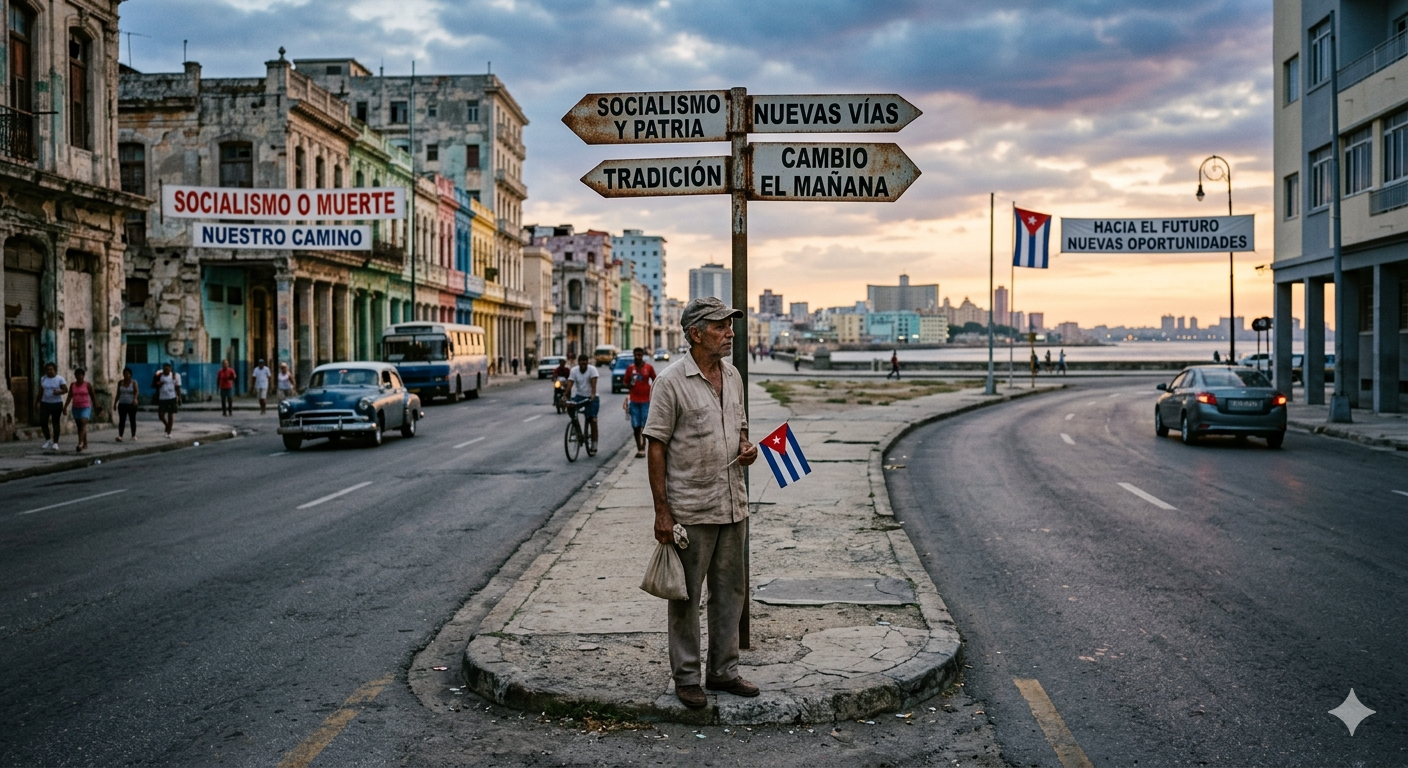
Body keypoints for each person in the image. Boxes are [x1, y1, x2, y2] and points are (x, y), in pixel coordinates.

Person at [643, 296, 759, 710]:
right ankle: (687, 676)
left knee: (730, 591)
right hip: (690, 509)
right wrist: (662, 510)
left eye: (730, 325)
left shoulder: (733, 376)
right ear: (695, 334)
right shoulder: (671, 382)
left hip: (733, 505)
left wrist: (747, 449)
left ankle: (724, 671)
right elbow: (655, 445)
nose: (730, 333)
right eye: (719, 326)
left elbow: (740, 430)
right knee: (686, 597)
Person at [621, 346, 657, 458]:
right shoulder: (630, 369)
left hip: (646, 400)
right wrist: (630, 384)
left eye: (639, 355)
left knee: (644, 425)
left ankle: (643, 445)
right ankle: (639, 447)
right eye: (636, 355)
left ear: (642, 356)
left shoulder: (648, 368)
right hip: (634, 401)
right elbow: (625, 383)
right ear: (633, 356)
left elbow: (656, 380)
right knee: (635, 425)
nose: (637, 357)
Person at [567, 353, 600, 450]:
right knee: (570, 407)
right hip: (579, 396)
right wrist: (565, 396)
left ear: (587, 362)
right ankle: (578, 431)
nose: (583, 363)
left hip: (591, 397)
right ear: (578, 362)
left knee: (592, 419)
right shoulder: (574, 370)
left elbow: (593, 384)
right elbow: (570, 383)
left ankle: (594, 443)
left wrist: (593, 395)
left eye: (584, 361)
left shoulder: (592, 370)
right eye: (581, 361)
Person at [36, 362, 67, 451]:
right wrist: (37, 402)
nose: (50, 371)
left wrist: (59, 391)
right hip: (45, 403)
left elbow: (66, 389)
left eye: (51, 369)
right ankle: (48, 440)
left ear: (55, 370)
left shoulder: (59, 379)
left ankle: (55, 442)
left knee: (55, 422)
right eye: (48, 370)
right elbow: (41, 391)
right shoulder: (43, 379)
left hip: (56, 403)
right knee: (43, 421)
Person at [63, 367, 94, 453]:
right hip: (76, 408)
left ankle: (80, 444)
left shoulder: (87, 385)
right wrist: (65, 407)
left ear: (83, 376)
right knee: (80, 426)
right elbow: (69, 396)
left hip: (85, 407)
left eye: (81, 375)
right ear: (75, 376)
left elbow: (93, 396)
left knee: (83, 422)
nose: (79, 377)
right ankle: (85, 443)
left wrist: (97, 406)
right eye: (77, 375)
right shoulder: (73, 385)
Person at [154, 362, 182, 438]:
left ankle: (169, 432)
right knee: (161, 415)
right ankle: (167, 425)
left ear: (170, 369)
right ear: (163, 369)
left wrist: (179, 397)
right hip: (162, 398)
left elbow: (178, 387)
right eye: (165, 369)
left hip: (172, 397)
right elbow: (153, 384)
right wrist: (158, 384)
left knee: (170, 415)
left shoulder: (175, 376)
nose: (166, 370)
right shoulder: (159, 375)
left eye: (168, 368)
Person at [116, 367, 139, 442]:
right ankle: (120, 435)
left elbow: (136, 392)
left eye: (128, 373)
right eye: (125, 373)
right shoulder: (120, 383)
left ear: (130, 374)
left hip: (131, 404)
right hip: (122, 403)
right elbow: (118, 393)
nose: (127, 375)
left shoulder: (133, 382)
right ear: (123, 374)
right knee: (122, 420)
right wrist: (115, 403)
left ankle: (133, 435)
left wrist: (135, 399)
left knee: (132, 420)